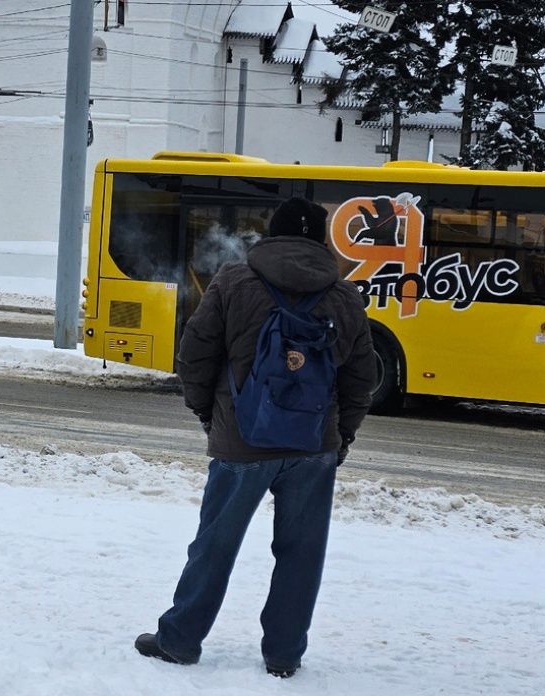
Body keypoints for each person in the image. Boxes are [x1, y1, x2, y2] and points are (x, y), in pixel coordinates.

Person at [135, 197, 377, 678]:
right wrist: (341, 435)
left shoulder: (233, 281)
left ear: (273, 234)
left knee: (215, 545)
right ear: (320, 240)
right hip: (313, 446)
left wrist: (210, 416)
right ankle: (284, 655)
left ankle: (180, 640)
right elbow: (360, 379)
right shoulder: (345, 296)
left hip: (241, 440)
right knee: (301, 554)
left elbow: (195, 356)